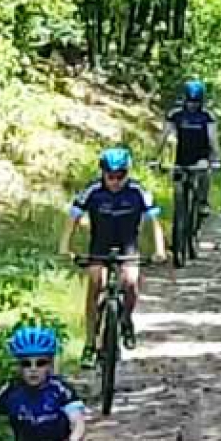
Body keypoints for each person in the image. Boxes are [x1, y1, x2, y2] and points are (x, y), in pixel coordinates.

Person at [60, 147, 167, 360]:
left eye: (121, 176)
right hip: (100, 244)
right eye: (110, 176)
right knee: (95, 282)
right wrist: (65, 246)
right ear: (103, 173)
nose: (115, 181)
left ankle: (126, 319)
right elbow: (73, 218)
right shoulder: (92, 191)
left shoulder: (137, 191)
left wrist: (159, 250)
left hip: (128, 244)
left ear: (128, 173)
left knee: (130, 281)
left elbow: (154, 222)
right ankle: (90, 343)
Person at [156, 78, 221, 216]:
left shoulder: (207, 116)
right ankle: (180, 217)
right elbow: (165, 136)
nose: (192, 105)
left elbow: (213, 138)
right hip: (180, 156)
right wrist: (156, 156)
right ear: (184, 99)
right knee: (179, 186)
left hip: (201, 156)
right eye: (190, 101)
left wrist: (216, 158)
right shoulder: (175, 114)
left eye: (196, 102)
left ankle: (203, 202)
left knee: (204, 173)